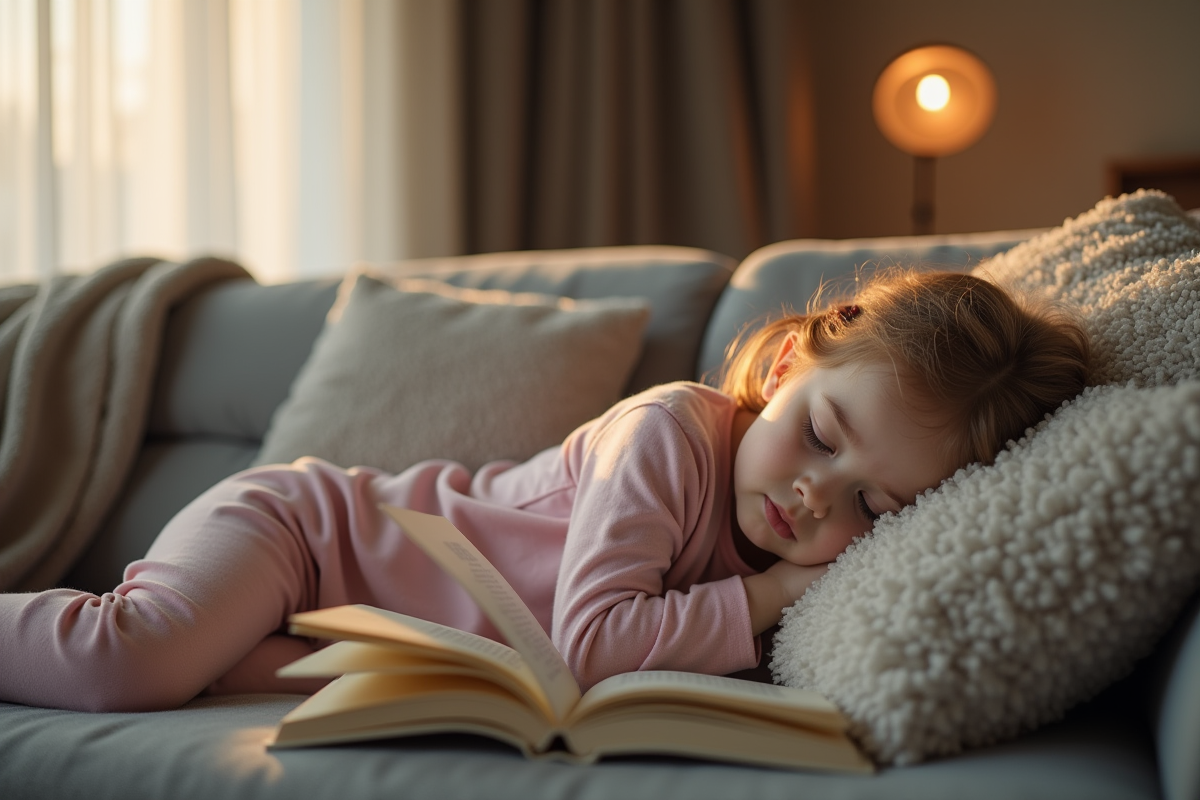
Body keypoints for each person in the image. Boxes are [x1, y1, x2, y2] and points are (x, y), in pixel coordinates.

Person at [0, 269, 1091, 713]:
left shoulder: (814, 551)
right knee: (129, 658)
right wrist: (766, 601)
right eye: (819, 434)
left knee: (224, 680)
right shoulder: (670, 431)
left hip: (364, 634)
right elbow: (593, 643)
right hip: (309, 534)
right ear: (783, 369)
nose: (817, 500)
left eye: (876, 507)